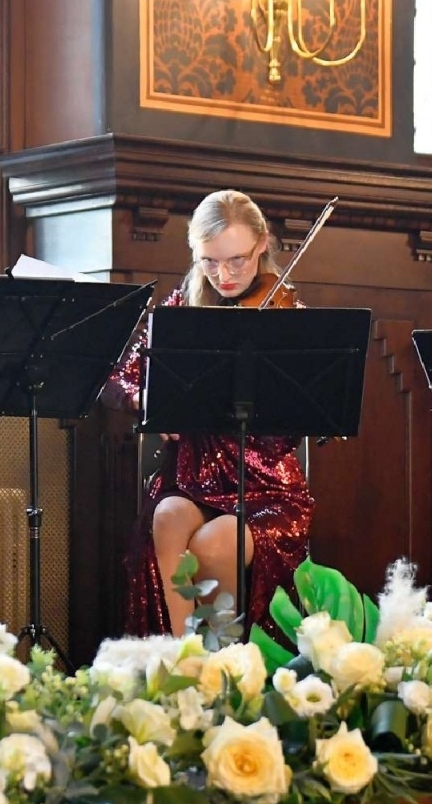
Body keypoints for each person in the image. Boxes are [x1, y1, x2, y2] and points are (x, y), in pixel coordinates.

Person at [104, 189, 314, 635]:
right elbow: (120, 380)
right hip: (192, 477)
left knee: (215, 545)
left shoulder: (289, 317)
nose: (224, 275)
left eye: (237, 260)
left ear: (262, 244)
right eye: (210, 262)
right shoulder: (181, 309)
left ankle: (227, 658)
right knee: (166, 518)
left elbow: (304, 416)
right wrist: (149, 400)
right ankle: (185, 656)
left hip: (265, 488)